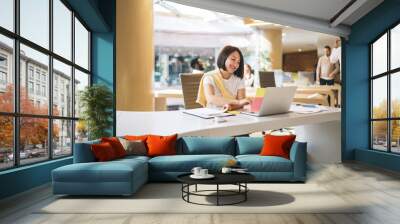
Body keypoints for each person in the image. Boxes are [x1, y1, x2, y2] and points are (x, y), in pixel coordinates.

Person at [196, 45, 251, 111]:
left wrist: (231, 107)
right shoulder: (209, 77)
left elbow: (242, 102)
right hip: (212, 115)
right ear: (224, 58)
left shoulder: (239, 79)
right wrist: (238, 102)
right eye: (233, 59)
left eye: (238, 62)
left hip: (233, 115)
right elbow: (211, 98)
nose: (236, 65)